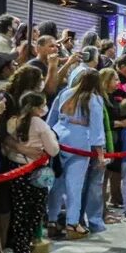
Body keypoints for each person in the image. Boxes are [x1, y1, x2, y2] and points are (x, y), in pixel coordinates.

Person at [46, 69, 106, 239]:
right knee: (75, 185)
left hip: (59, 138)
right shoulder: (95, 99)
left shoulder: (65, 93)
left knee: (56, 183)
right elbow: (97, 129)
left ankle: (51, 220)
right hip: (80, 141)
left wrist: (47, 136)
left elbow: (52, 117)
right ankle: (72, 223)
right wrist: (100, 154)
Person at [1, 92, 55, 253]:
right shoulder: (39, 124)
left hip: (15, 170)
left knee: (18, 211)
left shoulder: (13, 121)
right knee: (32, 213)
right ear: (37, 107)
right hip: (33, 172)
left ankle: (18, 249)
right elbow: (53, 149)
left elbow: (6, 141)